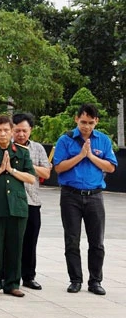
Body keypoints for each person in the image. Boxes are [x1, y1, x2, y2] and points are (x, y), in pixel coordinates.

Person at [52, 103, 117, 296]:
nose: (86, 126)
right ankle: (75, 279)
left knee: (97, 241)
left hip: (94, 196)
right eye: (82, 122)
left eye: (90, 122)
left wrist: (90, 155)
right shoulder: (66, 139)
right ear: (76, 120)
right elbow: (59, 168)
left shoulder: (103, 140)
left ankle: (95, 281)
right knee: (72, 240)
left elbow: (111, 167)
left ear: (96, 121)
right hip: (70, 196)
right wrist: (81, 156)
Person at [0, 115, 35, 298]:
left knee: (16, 246)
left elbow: (31, 178)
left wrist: (12, 170)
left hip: (18, 206)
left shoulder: (22, 151)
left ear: (12, 131)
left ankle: (12, 283)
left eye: (6, 130)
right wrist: (0, 170)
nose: (2, 134)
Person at [12, 112, 52, 291]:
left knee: (30, 240)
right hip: (11, 201)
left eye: (24, 131)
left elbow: (46, 173)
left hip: (32, 201)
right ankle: (8, 275)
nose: (21, 134)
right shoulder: (6, 147)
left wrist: (27, 163)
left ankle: (28, 276)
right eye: (17, 130)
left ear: (31, 130)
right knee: (11, 240)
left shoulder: (37, 149)